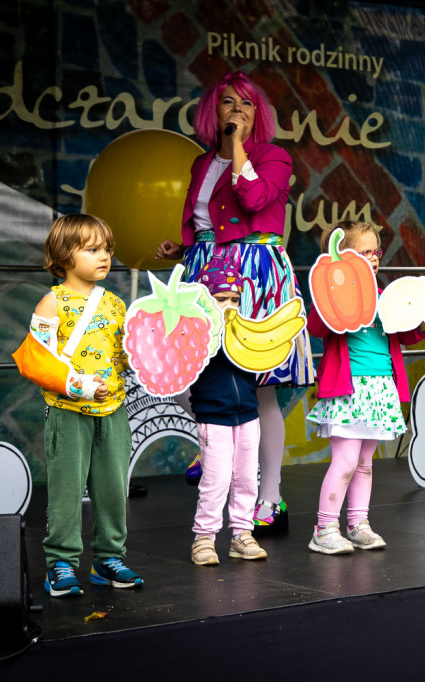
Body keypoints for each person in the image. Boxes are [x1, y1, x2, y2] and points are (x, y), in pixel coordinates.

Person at [156, 71, 314, 535]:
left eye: (246, 104)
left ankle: (270, 499)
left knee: (258, 386)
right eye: (228, 103)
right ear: (214, 112)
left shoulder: (273, 156)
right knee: (189, 374)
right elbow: (206, 223)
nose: (238, 111)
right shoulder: (201, 164)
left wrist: (239, 150)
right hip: (205, 271)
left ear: (257, 115)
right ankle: (214, 444)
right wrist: (182, 250)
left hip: (256, 273)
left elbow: (253, 198)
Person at [26, 214, 142, 597]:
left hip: (113, 412)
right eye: (92, 250)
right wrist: (80, 386)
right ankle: (60, 563)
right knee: (65, 491)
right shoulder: (50, 303)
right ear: (64, 254)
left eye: (107, 249)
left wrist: (153, 353)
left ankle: (109, 559)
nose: (104, 256)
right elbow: (36, 361)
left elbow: (125, 357)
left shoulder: (115, 304)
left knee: (112, 489)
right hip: (67, 412)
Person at [305, 221, 425, 554]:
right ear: (342, 256)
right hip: (347, 391)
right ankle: (325, 527)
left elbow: (404, 333)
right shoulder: (334, 293)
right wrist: (330, 291)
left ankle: (357, 523)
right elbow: (318, 326)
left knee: (364, 463)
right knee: (345, 462)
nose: (373, 258)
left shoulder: (382, 296)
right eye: (364, 252)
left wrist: (423, 317)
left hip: (379, 390)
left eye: (375, 251)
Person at [188, 259, 267, 565]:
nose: (229, 305)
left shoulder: (245, 335)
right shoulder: (198, 339)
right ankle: (204, 538)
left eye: (235, 299)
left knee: (247, 478)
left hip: (249, 414)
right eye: (221, 299)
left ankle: (242, 534)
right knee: (216, 479)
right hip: (213, 416)